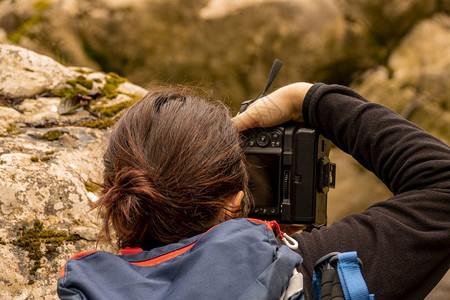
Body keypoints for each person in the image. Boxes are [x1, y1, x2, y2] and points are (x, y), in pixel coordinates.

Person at [57, 83, 450, 299]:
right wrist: (307, 99)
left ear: (115, 193)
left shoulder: (87, 289)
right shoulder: (306, 272)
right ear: (233, 200)